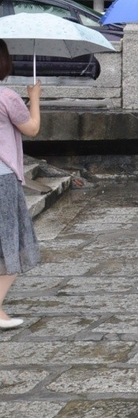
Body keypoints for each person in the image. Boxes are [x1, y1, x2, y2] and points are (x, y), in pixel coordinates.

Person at [0, 41, 41, 330]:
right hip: (2, 178)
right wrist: (35, 98)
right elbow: (32, 128)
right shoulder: (7, 97)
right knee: (13, 243)